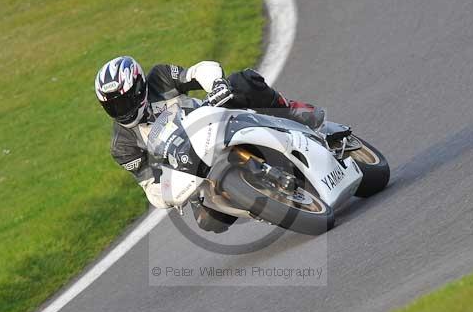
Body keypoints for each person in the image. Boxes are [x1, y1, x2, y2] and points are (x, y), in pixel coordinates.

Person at [94, 56, 325, 233]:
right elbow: (150, 185)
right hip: (192, 169)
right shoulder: (122, 145)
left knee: (243, 81)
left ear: (138, 88)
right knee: (209, 221)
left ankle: (291, 110)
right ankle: (263, 205)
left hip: (215, 120)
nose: (121, 110)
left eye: (124, 101)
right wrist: (171, 193)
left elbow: (199, 71)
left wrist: (216, 84)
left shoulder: (159, 78)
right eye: (113, 107)